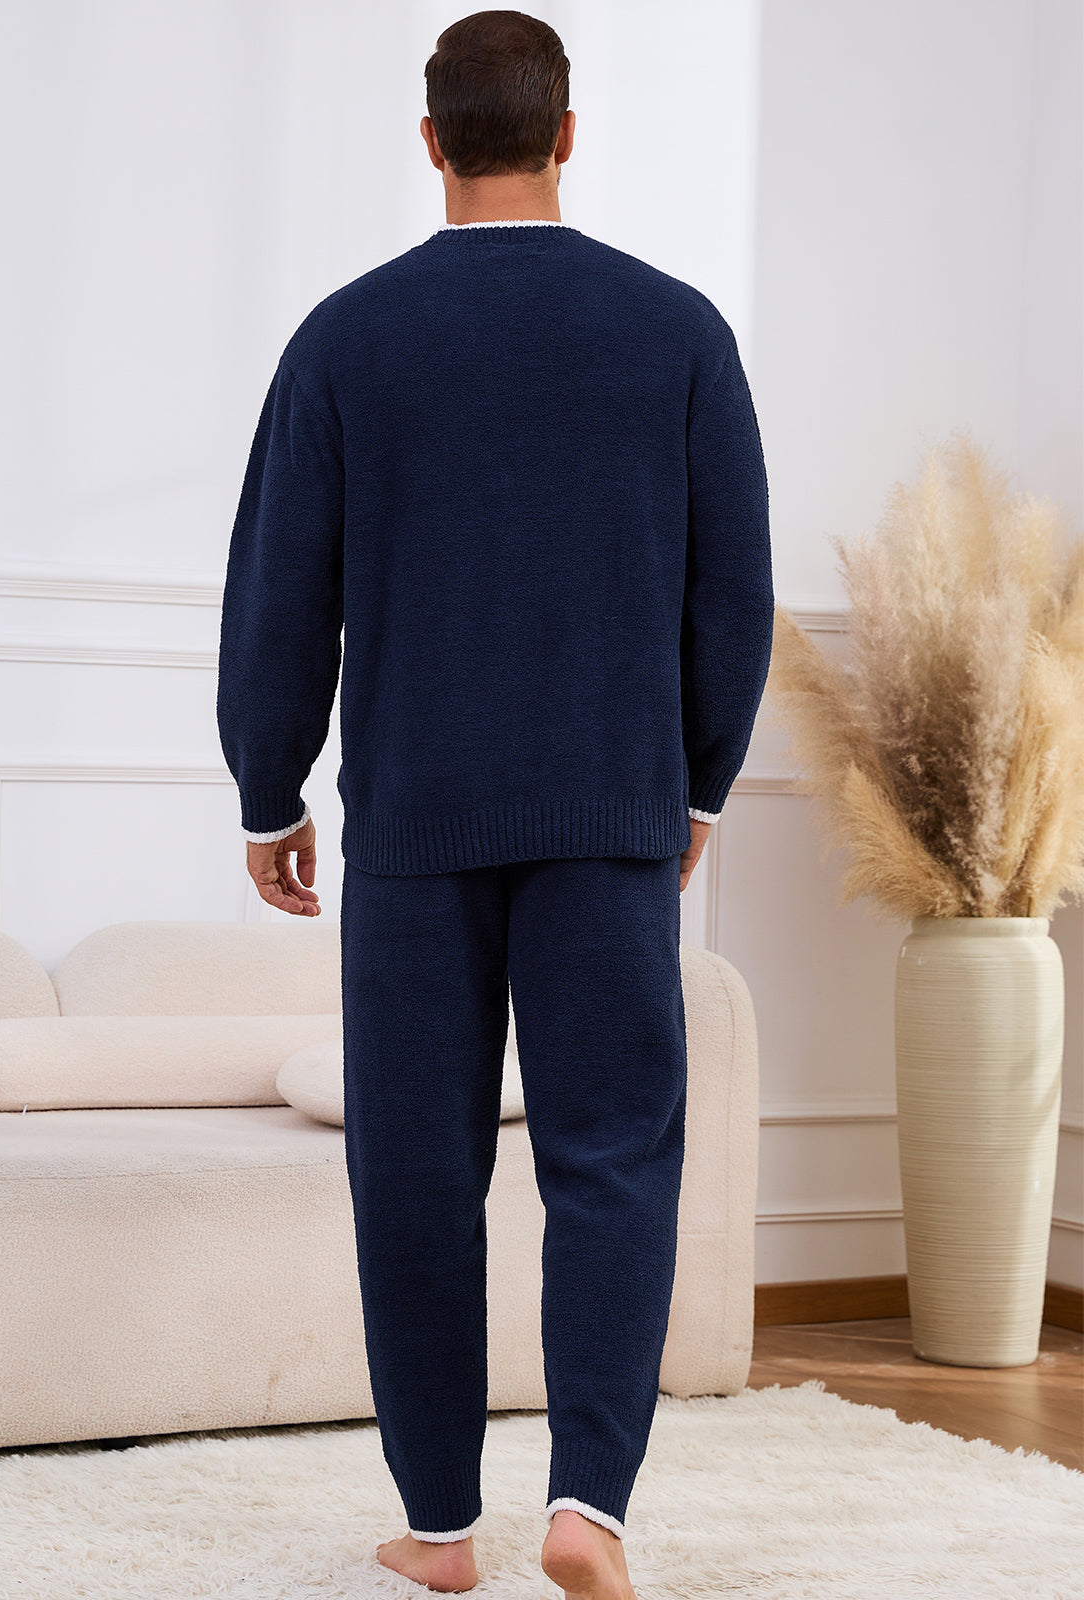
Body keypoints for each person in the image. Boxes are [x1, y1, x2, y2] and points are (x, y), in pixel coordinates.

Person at [216, 11, 773, 1597]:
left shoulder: (347, 337)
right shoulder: (676, 332)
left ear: (433, 141)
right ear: (568, 135)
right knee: (610, 1154)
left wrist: (270, 788)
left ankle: (440, 1524)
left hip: (411, 825)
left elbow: (281, 595)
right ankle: (588, 1506)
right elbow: (732, 591)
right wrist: (701, 782)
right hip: (613, 816)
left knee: (415, 1163)